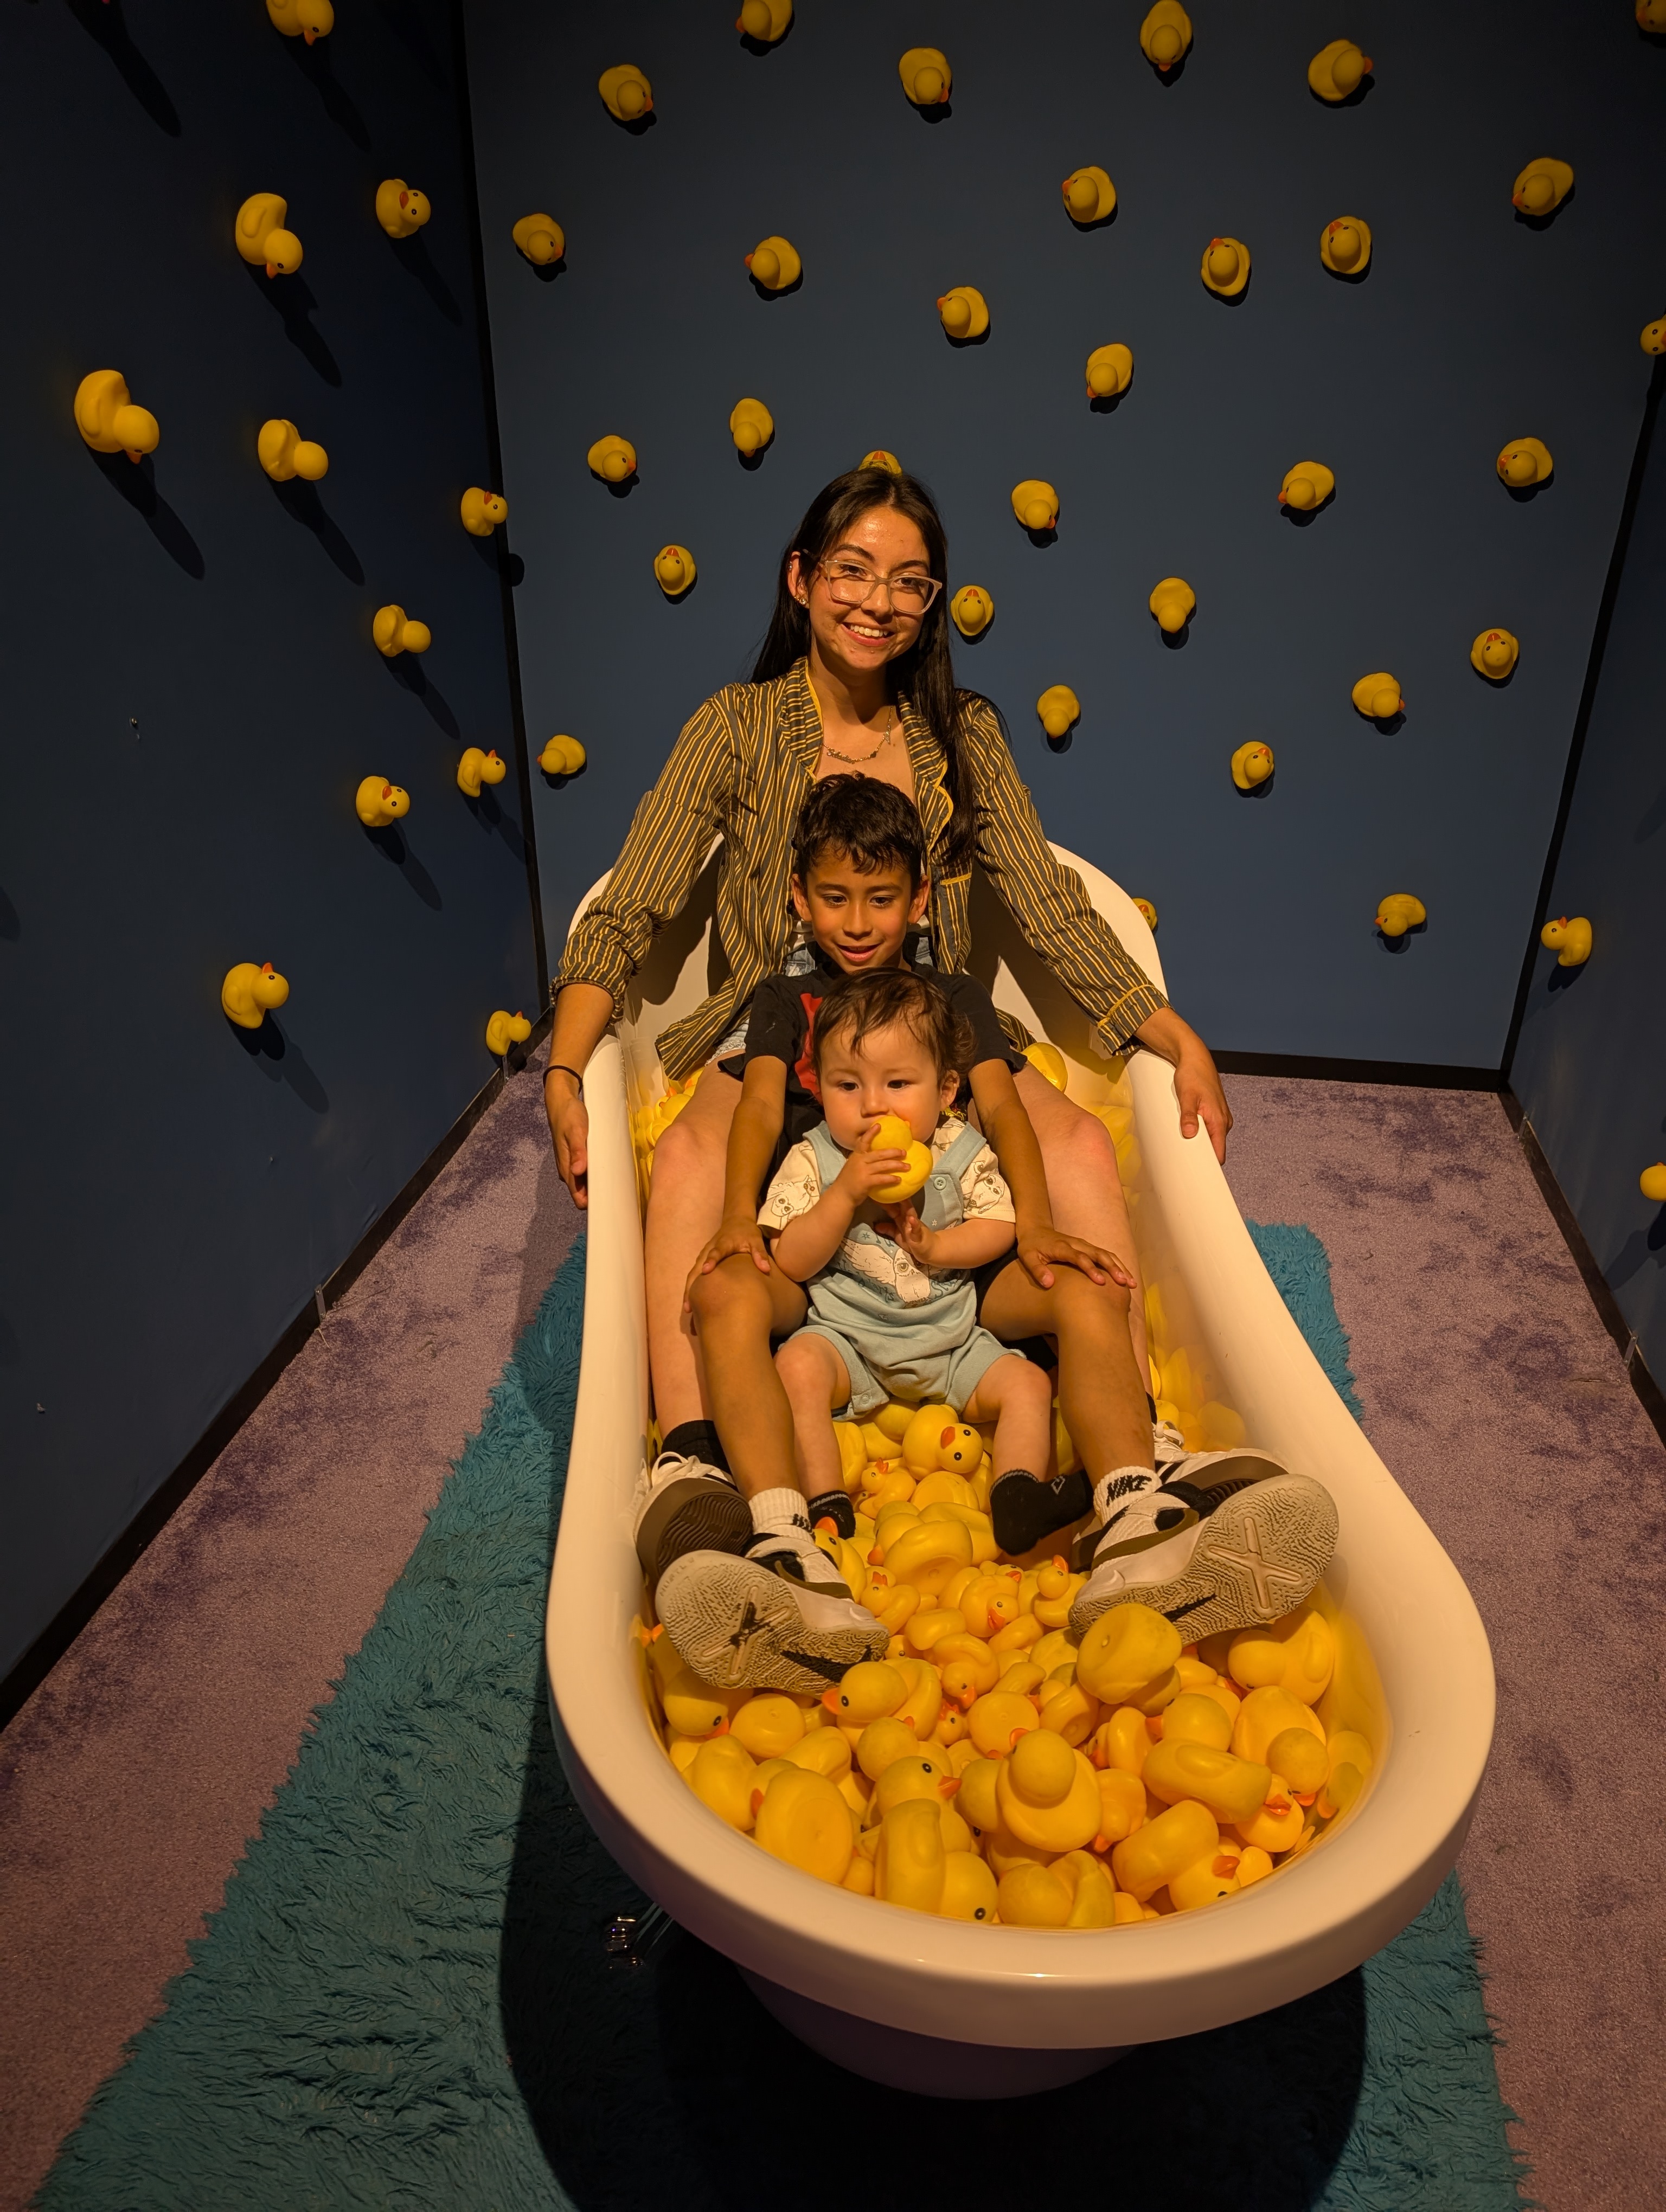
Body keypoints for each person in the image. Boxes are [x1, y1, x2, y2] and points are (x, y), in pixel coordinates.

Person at [544, 466, 1231, 1454]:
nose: (878, 601)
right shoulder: (736, 726)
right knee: (691, 1157)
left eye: (909, 581)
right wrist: (566, 1072)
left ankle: (1138, 1436)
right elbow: (630, 906)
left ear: (932, 601)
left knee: (1080, 1145)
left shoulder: (964, 732)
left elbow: (1047, 901)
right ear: (802, 578)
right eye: (853, 570)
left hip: (930, 1023)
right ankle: (692, 1455)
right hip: (779, 1020)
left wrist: (1175, 1035)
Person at [645, 776, 1338, 1692]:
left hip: (957, 1285)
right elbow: (759, 1107)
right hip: (821, 1272)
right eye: (836, 899)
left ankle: (1130, 1510)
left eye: (881, 899)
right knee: (723, 1288)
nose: (857, 923)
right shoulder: (787, 999)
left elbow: (1006, 1112)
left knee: (1087, 1286)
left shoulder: (954, 997)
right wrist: (740, 1215)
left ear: (919, 902)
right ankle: (782, 1543)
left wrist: (1038, 1230)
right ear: (800, 902)